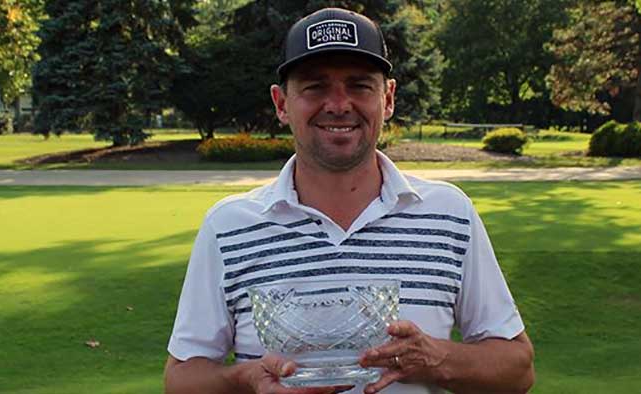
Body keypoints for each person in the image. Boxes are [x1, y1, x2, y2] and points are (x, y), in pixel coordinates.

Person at [164, 7, 534, 394]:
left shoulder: (448, 214)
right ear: (281, 103)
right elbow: (181, 379)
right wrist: (245, 381)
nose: (339, 105)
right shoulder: (229, 226)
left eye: (359, 85)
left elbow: (517, 369)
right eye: (314, 87)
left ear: (387, 99)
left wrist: (436, 360)